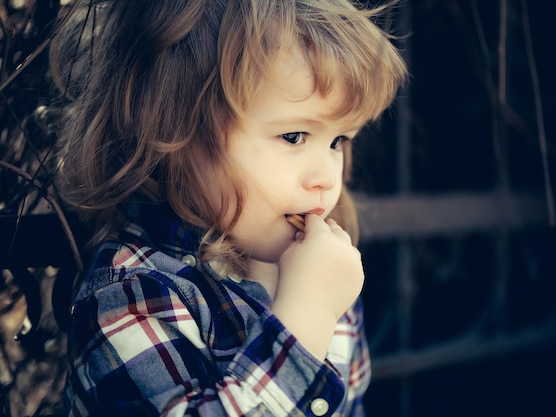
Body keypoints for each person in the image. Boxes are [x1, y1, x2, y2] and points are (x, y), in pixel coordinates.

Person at [50, 0, 407, 415]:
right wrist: (306, 317)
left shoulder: (326, 275)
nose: (326, 177)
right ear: (177, 133)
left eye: (338, 141)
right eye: (293, 136)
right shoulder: (133, 294)